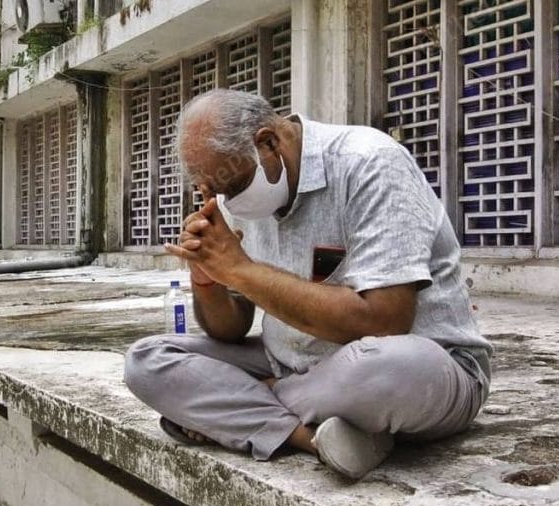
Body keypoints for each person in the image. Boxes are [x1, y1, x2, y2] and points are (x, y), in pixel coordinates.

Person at [123, 90, 492, 480]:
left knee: (390, 366)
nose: (223, 201)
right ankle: (309, 436)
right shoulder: (241, 194)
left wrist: (241, 270)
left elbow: (384, 321)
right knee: (148, 360)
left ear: (268, 142)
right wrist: (208, 278)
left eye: (230, 187)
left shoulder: (369, 163)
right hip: (290, 363)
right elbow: (229, 329)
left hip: (419, 369)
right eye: (209, 190)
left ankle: (245, 409)